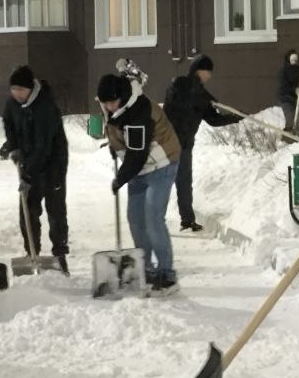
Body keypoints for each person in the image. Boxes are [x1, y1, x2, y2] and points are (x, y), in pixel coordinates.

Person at [97, 70, 182, 291]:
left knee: (153, 219)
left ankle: (167, 273)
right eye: (105, 103)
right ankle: (146, 269)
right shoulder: (113, 106)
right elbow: (117, 130)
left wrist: (120, 179)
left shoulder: (140, 111)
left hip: (162, 163)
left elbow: (137, 154)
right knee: (135, 218)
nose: (109, 107)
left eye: (112, 102)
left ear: (121, 97)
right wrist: (115, 145)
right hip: (140, 169)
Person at [0, 64, 69, 274]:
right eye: (13, 89)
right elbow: (9, 126)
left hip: (53, 164)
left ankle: (60, 255)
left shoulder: (46, 107)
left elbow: (43, 146)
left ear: (30, 89)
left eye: (20, 89)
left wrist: (28, 172)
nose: (16, 93)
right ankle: (32, 254)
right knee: (27, 210)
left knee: (55, 211)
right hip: (28, 163)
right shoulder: (12, 105)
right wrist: (14, 148)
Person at [163, 55, 240, 233]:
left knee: (184, 182)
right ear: (199, 70)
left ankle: (187, 220)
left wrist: (234, 118)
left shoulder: (202, 96)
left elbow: (213, 119)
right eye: (208, 71)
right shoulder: (179, 85)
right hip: (169, 143)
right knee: (164, 182)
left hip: (185, 145)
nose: (210, 76)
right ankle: (155, 219)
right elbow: (181, 101)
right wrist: (202, 97)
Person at [277, 50, 299, 137]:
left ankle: (297, 134)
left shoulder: (298, 69)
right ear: (289, 60)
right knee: (290, 116)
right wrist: (295, 89)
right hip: (285, 96)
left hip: (294, 97)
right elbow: (284, 85)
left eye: (295, 60)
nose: (294, 61)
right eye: (292, 59)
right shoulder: (284, 71)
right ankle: (288, 136)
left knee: (296, 116)